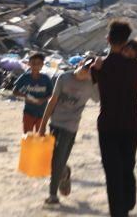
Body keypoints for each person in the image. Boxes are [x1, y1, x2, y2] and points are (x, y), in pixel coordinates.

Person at [92, 20, 137, 217]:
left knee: (112, 171)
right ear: (126, 41)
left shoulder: (101, 66)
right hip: (131, 123)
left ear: (108, 39)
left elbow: (92, 81)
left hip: (108, 125)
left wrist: (95, 67)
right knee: (127, 165)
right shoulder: (135, 66)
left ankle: (118, 211)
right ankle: (129, 201)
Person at [38, 57, 98, 206]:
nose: (86, 70)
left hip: (70, 127)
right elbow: (52, 101)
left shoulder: (92, 84)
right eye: (86, 66)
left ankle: (53, 196)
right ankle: (64, 172)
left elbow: (100, 99)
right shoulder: (63, 78)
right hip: (55, 123)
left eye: (90, 69)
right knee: (52, 159)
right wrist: (42, 125)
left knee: (57, 159)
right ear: (80, 64)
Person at [13, 52, 54, 133]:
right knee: (28, 135)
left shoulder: (46, 79)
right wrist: (26, 96)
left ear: (42, 65)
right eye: (33, 63)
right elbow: (15, 91)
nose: (35, 66)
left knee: (40, 136)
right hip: (28, 112)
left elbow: (52, 93)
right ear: (29, 64)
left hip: (43, 113)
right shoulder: (24, 77)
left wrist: (43, 99)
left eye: (38, 63)